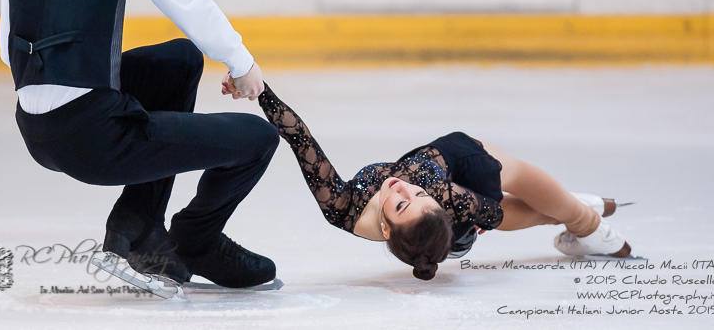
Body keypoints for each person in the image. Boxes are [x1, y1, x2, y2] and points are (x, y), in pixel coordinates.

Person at [0, 0, 279, 295]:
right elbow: (186, 1)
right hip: (92, 138)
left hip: (34, 127)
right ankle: (198, 241)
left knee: (179, 59)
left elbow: (9, 46)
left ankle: (138, 228)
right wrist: (244, 65)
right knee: (257, 138)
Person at [223, 78, 632, 280]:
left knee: (515, 188)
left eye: (406, 197)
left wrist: (256, 87)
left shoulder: (347, 204)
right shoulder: (428, 199)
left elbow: (300, 138)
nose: (401, 186)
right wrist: (475, 220)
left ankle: (587, 221)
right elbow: (488, 213)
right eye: (408, 197)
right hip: (459, 189)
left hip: (464, 164)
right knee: (508, 215)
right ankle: (578, 214)